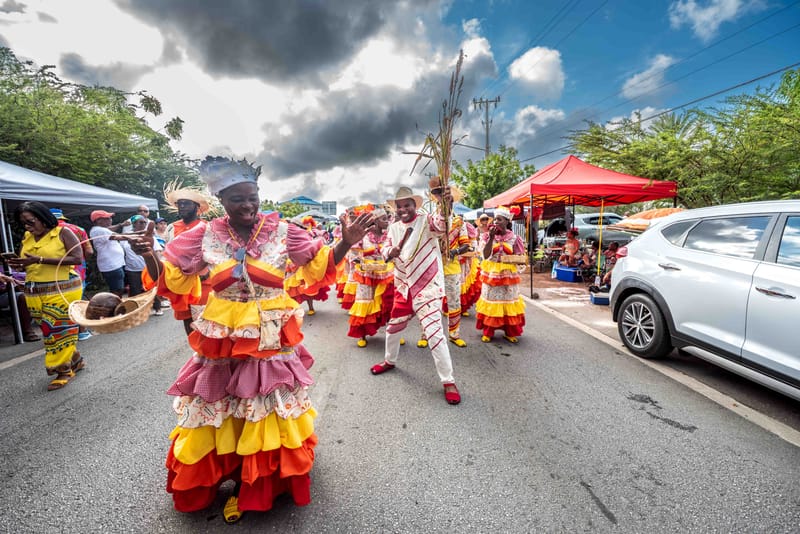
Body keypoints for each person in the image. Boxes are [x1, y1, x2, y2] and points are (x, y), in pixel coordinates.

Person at [130, 155, 374, 522]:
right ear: (222, 202)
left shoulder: (284, 231)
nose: (248, 206)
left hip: (270, 331)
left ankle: (253, 483)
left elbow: (317, 265)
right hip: (222, 330)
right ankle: (225, 471)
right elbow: (173, 278)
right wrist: (149, 254)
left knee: (265, 404)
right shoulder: (203, 234)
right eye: (238, 199)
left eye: (253, 197)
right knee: (222, 400)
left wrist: (346, 243)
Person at [369, 186, 461, 406]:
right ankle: (389, 361)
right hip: (403, 286)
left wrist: (446, 204)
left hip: (427, 286)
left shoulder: (426, 220)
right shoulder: (393, 228)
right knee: (393, 328)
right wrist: (388, 253)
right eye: (399, 206)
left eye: (406, 205)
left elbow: (441, 225)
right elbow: (385, 249)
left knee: (434, 334)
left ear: (414, 205)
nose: (403, 210)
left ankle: (448, 381)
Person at [8, 201, 85, 391]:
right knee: (48, 329)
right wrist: (20, 264)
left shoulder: (62, 232)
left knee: (57, 330)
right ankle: (75, 359)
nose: (28, 226)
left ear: (43, 217)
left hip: (63, 288)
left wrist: (41, 260)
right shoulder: (28, 236)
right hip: (35, 290)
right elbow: (30, 263)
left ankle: (63, 370)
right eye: (24, 223)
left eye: (31, 221)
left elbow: (77, 258)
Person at [163, 186, 212, 334]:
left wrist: (207, 271)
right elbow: (167, 253)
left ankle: (208, 353)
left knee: (206, 320)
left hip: (203, 281)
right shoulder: (171, 228)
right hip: (180, 282)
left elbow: (214, 254)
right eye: (180, 203)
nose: (182, 206)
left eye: (186, 203)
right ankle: (195, 352)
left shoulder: (207, 227)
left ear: (197, 207)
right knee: (187, 319)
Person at [428, 177, 471, 347]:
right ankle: (427, 334)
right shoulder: (430, 219)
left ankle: (454, 333)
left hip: (451, 267)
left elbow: (466, 245)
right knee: (430, 302)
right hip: (432, 268)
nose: (440, 197)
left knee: (454, 301)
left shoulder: (459, 222)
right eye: (436, 193)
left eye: (442, 193)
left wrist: (454, 251)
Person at [476, 206, 526, 343]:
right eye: (495, 219)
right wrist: (491, 238)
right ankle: (488, 331)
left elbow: (520, 256)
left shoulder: (515, 238)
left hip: (508, 276)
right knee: (492, 301)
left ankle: (509, 331)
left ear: (506, 222)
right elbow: (485, 256)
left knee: (508, 301)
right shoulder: (486, 236)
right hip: (492, 275)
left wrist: (517, 261)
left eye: (499, 219)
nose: (496, 222)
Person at [346, 207, 393, 347]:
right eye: (384, 219)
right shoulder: (364, 235)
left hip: (385, 274)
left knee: (387, 302)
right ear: (376, 221)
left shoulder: (390, 235)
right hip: (366, 275)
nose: (387, 222)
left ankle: (392, 335)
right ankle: (362, 335)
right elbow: (353, 253)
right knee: (365, 301)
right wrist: (359, 261)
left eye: (387, 218)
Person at [50, 208, 94, 340]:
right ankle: (82, 331)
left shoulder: (43, 233)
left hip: (52, 270)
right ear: (63, 218)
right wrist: (82, 261)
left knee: (58, 300)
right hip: (76, 269)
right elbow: (90, 251)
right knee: (76, 299)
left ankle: (62, 333)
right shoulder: (78, 229)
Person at [116, 215, 163, 315]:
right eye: (140, 222)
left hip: (148, 268)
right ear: (134, 224)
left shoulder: (149, 236)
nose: (143, 224)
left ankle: (157, 308)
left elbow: (158, 250)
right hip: (132, 269)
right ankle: (138, 312)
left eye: (144, 222)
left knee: (153, 289)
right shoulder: (125, 237)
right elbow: (120, 251)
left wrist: (158, 264)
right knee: (135, 291)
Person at [89, 210, 127, 297]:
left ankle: (115, 306)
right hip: (112, 265)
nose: (110, 220)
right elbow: (121, 237)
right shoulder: (100, 230)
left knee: (117, 288)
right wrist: (138, 236)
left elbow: (115, 232)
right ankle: (115, 307)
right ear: (99, 221)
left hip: (113, 264)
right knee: (117, 290)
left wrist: (137, 233)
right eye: (107, 218)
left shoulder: (99, 230)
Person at [0, 271, 40, 342]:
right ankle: (27, 331)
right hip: (4, 293)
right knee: (22, 297)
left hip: (22, 287)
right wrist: (12, 286)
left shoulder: (12, 264)